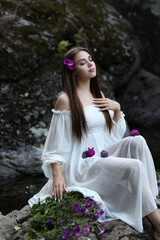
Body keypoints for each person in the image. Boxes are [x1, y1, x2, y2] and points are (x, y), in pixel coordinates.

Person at [28, 46, 160, 239]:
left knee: (137, 141)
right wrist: (57, 174)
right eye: (83, 62)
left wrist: (116, 109)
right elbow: (55, 143)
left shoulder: (97, 94)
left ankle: (148, 199)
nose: (90, 64)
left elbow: (113, 134)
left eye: (91, 59)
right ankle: (158, 223)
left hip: (101, 155)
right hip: (82, 166)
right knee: (134, 166)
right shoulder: (65, 100)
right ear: (73, 70)